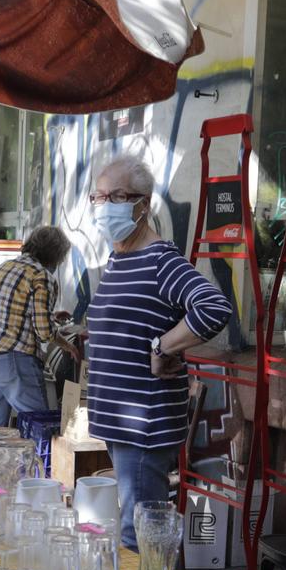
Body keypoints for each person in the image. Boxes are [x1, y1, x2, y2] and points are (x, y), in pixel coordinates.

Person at [82, 153, 234, 548]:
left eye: (116, 196)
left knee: (139, 532)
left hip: (144, 423)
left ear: (143, 204)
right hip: (120, 423)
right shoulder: (121, 258)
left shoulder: (160, 260)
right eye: (98, 197)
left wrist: (163, 345)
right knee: (135, 524)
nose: (104, 207)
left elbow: (214, 307)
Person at [0, 224, 76, 428]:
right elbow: (44, 332)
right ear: (55, 254)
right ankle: (37, 461)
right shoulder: (42, 276)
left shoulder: (5, 267)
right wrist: (68, 345)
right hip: (12, 357)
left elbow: (9, 310)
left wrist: (52, 316)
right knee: (37, 423)